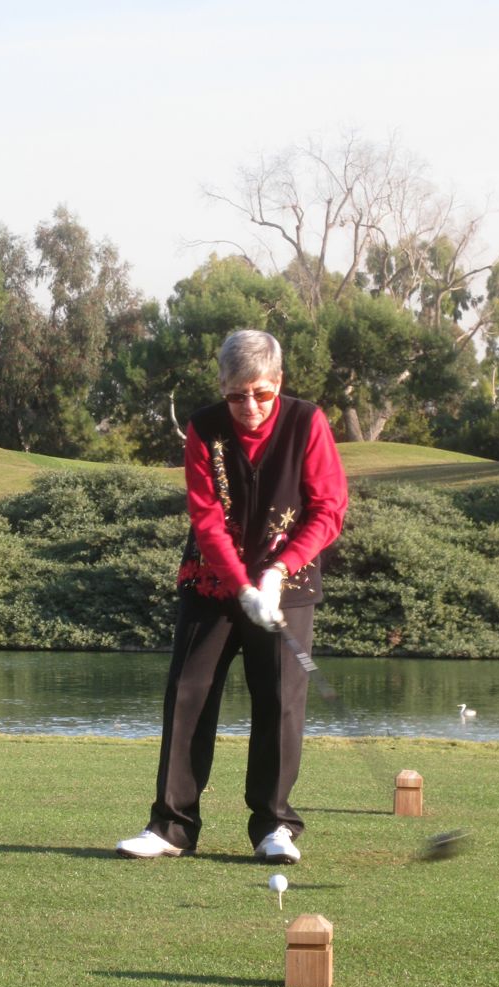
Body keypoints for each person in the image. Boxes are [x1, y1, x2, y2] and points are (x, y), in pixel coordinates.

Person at [116, 330, 348, 863]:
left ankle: (274, 827)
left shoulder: (307, 422)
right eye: (236, 394)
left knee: (280, 703)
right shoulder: (203, 427)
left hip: (286, 586)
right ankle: (172, 827)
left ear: (279, 383)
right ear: (221, 385)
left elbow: (328, 509)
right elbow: (206, 517)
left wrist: (276, 572)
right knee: (188, 693)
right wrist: (241, 584)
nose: (249, 407)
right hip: (212, 580)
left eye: (262, 394)